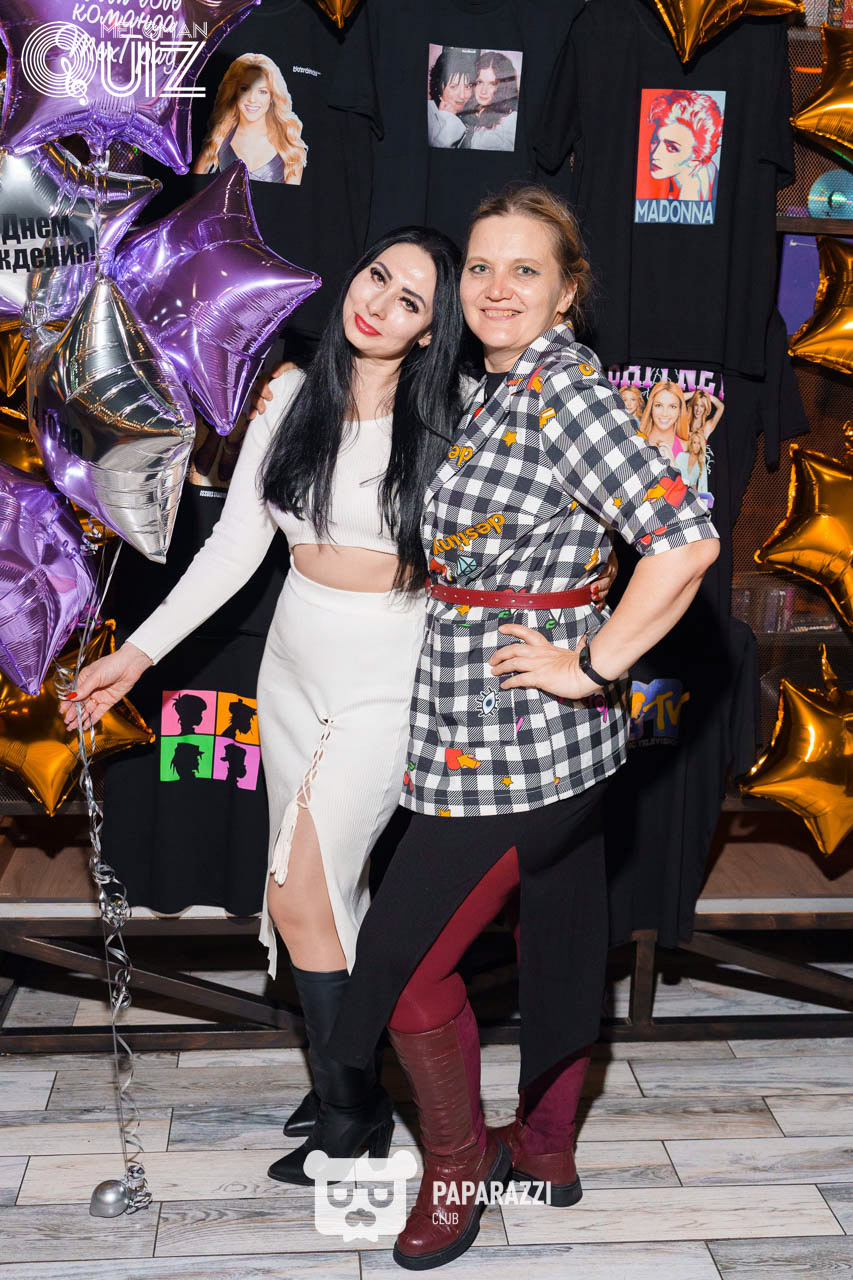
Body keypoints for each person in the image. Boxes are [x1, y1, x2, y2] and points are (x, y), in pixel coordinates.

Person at [326, 184, 719, 1271]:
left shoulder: (562, 395)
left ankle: (455, 1169)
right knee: (557, 940)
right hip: (486, 726)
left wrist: (591, 664)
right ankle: (544, 1146)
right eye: (482, 267)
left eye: (525, 269)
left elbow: (684, 541)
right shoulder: (502, 387)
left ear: (566, 290)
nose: (496, 288)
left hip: (524, 742)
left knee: (405, 969)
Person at [59, 225, 470, 1185]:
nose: (380, 303)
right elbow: (236, 548)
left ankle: (354, 1113)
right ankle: (344, 1070)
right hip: (291, 663)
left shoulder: (453, 411)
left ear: (429, 329)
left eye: (410, 300)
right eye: (377, 276)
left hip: (389, 670)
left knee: (297, 887)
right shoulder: (289, 396)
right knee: (328, 895)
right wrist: (137, 654)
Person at [193, 52, 307, 184]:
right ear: (234, 92)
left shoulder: (289, 146)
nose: (252, 99)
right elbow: (195, 188)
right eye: (245, 89)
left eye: (262, 91)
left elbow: (292, 196)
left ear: (272, 97)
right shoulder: (218, 137)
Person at [647, 89, 724, 203]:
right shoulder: (705, 171)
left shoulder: (692, 195)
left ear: (696, 158)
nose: (655, 154)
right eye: (655, 141)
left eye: (672, 148)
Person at [461, 50, 519, 152]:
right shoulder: (469, 113)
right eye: (480, 82)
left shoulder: (510, 120)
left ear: (503, 87)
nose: (483, 91)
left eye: (492, 84)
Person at [427, 48, 475, 149]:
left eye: (467, 86)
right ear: (439, 86)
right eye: (453, 87)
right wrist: (449, 119)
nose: (462, 95)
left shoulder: (472, 115)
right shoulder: (428, 113)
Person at [639, 379, 690, 465]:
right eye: (658, 405)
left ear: (680, 411)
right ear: (651, 408)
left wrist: (673, 466)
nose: (665, 413)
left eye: (672, 406)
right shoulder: (634, 443)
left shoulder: (688, 448)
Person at [676, 426, 711, 499]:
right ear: (691, 443)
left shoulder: (702, 464)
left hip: (691, 496)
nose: (697, 446)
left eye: (699, 443)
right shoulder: (681, 456)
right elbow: (673, 475)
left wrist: (702, 501)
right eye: (695, 442)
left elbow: (703, 486)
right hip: (677, 492)